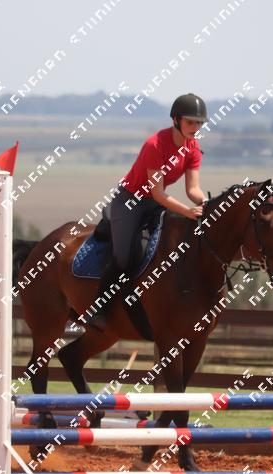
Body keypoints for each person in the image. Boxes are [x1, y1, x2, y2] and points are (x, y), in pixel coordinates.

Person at [83, 93, 208, 331]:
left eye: (199, 123)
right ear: (176, 120)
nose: (195, 127)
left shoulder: (193, 147)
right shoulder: (155, 145)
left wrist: (207, 203)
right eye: (190, 122)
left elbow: (192, 190)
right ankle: (99, 309)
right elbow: (158, 193)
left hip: (154, 202)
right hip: (130, 200)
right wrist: (187, 211)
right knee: (123, 257)